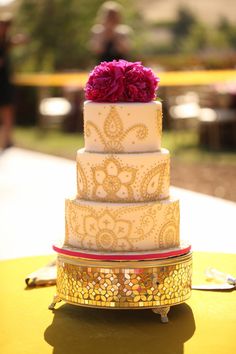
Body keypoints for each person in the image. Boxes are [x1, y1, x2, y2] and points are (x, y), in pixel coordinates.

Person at [0, 13, 27, 150]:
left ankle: (7, 140)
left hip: (5, 81)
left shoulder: (5, 42)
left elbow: (16, 41)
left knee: (8, 110)